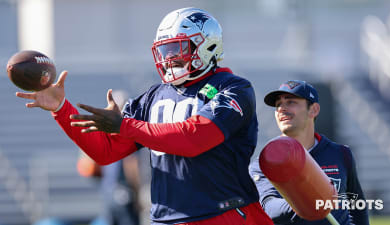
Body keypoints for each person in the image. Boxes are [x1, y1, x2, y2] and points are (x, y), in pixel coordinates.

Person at [16, 7, 273, 225]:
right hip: (167, 217)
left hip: (226, 214)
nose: (169, 57)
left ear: (207, 45)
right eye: (165, 50)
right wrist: (62, 109)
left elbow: (197, 137)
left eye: (177, 48)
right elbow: (105, 152)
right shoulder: (153, 96)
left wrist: (126, 126)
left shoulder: (234, 87)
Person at [249, 80, 370, 225]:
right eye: (278, 105)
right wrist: (304, 203)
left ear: (314, 110)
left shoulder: (341, 154)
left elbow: (357, 206)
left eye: (291, 102)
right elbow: (267, 207)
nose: (281, 108)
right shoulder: (265, 162)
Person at [76, 90, 141, 225]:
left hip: (108, 190)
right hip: (123, 191)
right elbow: (131, 165)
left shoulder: (104, 129)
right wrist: (137, 192)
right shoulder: (127, 132)